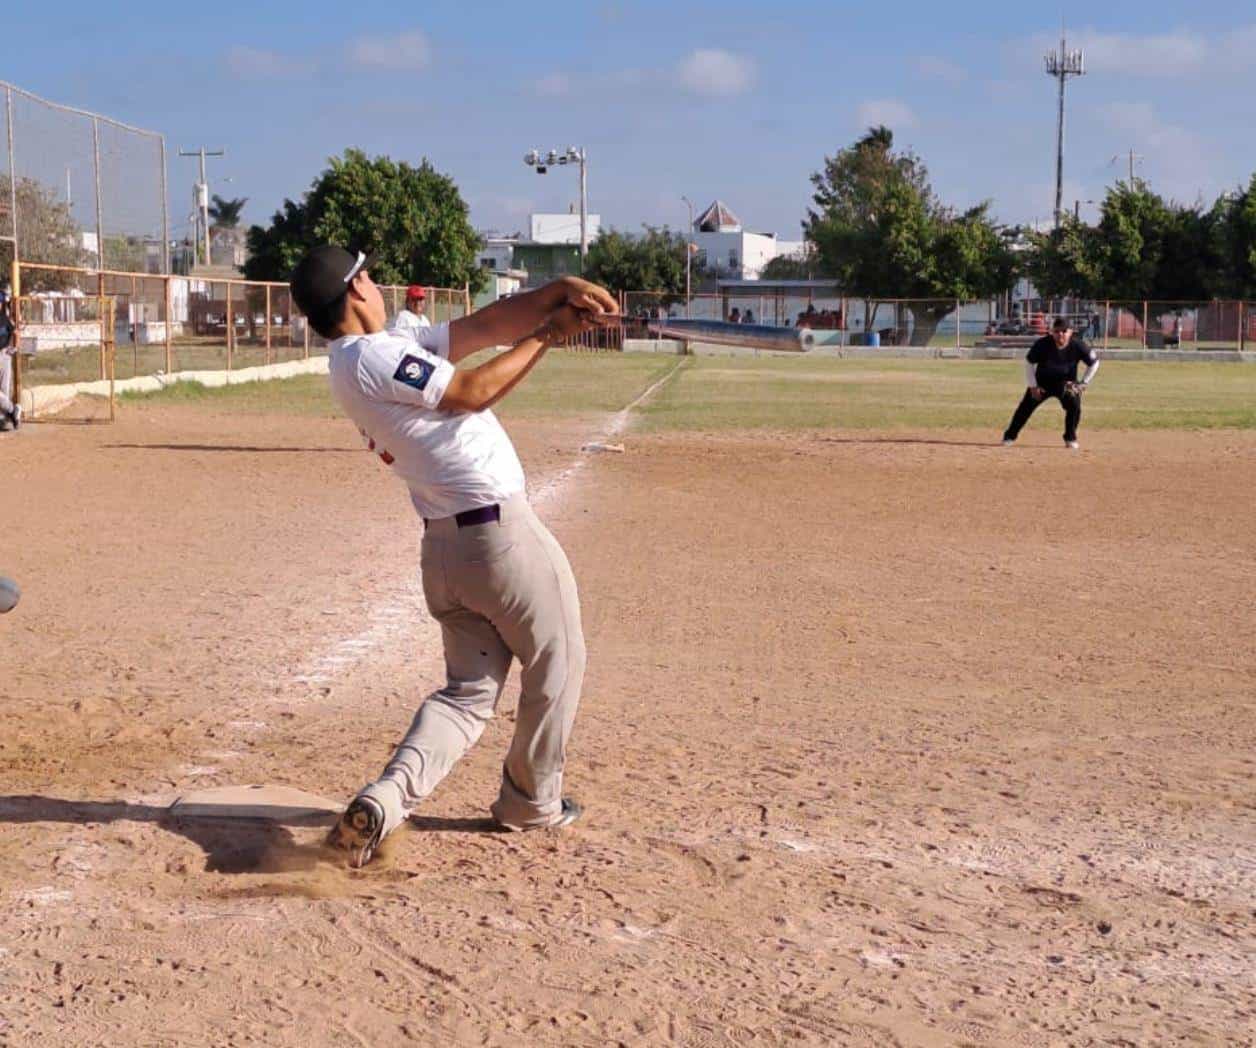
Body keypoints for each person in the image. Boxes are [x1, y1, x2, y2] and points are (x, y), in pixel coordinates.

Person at [289, 246, 617, 868]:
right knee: (560, 659)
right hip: (498, 540)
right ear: (356, 290)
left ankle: (384, 802)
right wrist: (549, 334)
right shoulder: (372, 357)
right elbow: (470, 391)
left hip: (446, 550)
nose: (378, 281)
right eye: (370, 274)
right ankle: (532, 802)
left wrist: (556, 292)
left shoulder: (380, 349)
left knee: (468, 694)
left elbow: (484, 327)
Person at [1002, 317, 1100, 450]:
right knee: (1024, 409)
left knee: (1074, 405)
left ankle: (1070, 438)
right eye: (1057, 331)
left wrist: (1083, 383)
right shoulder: (1042, 344)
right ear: (1051, 332)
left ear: (1070, 332)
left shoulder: (1078, 345)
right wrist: (1033, 386)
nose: (1060, 334)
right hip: (1042, 383)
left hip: (1066, 384)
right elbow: (1029, 362)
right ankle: (1009, 436)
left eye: (1064, 331)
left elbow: (1094, 363)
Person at [0, 289, 20, 432]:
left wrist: (15, 346)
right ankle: (13, 410)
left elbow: (15, 332)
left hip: (4, 355)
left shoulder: (5, 319)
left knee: (3, 389)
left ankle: (2, 419)